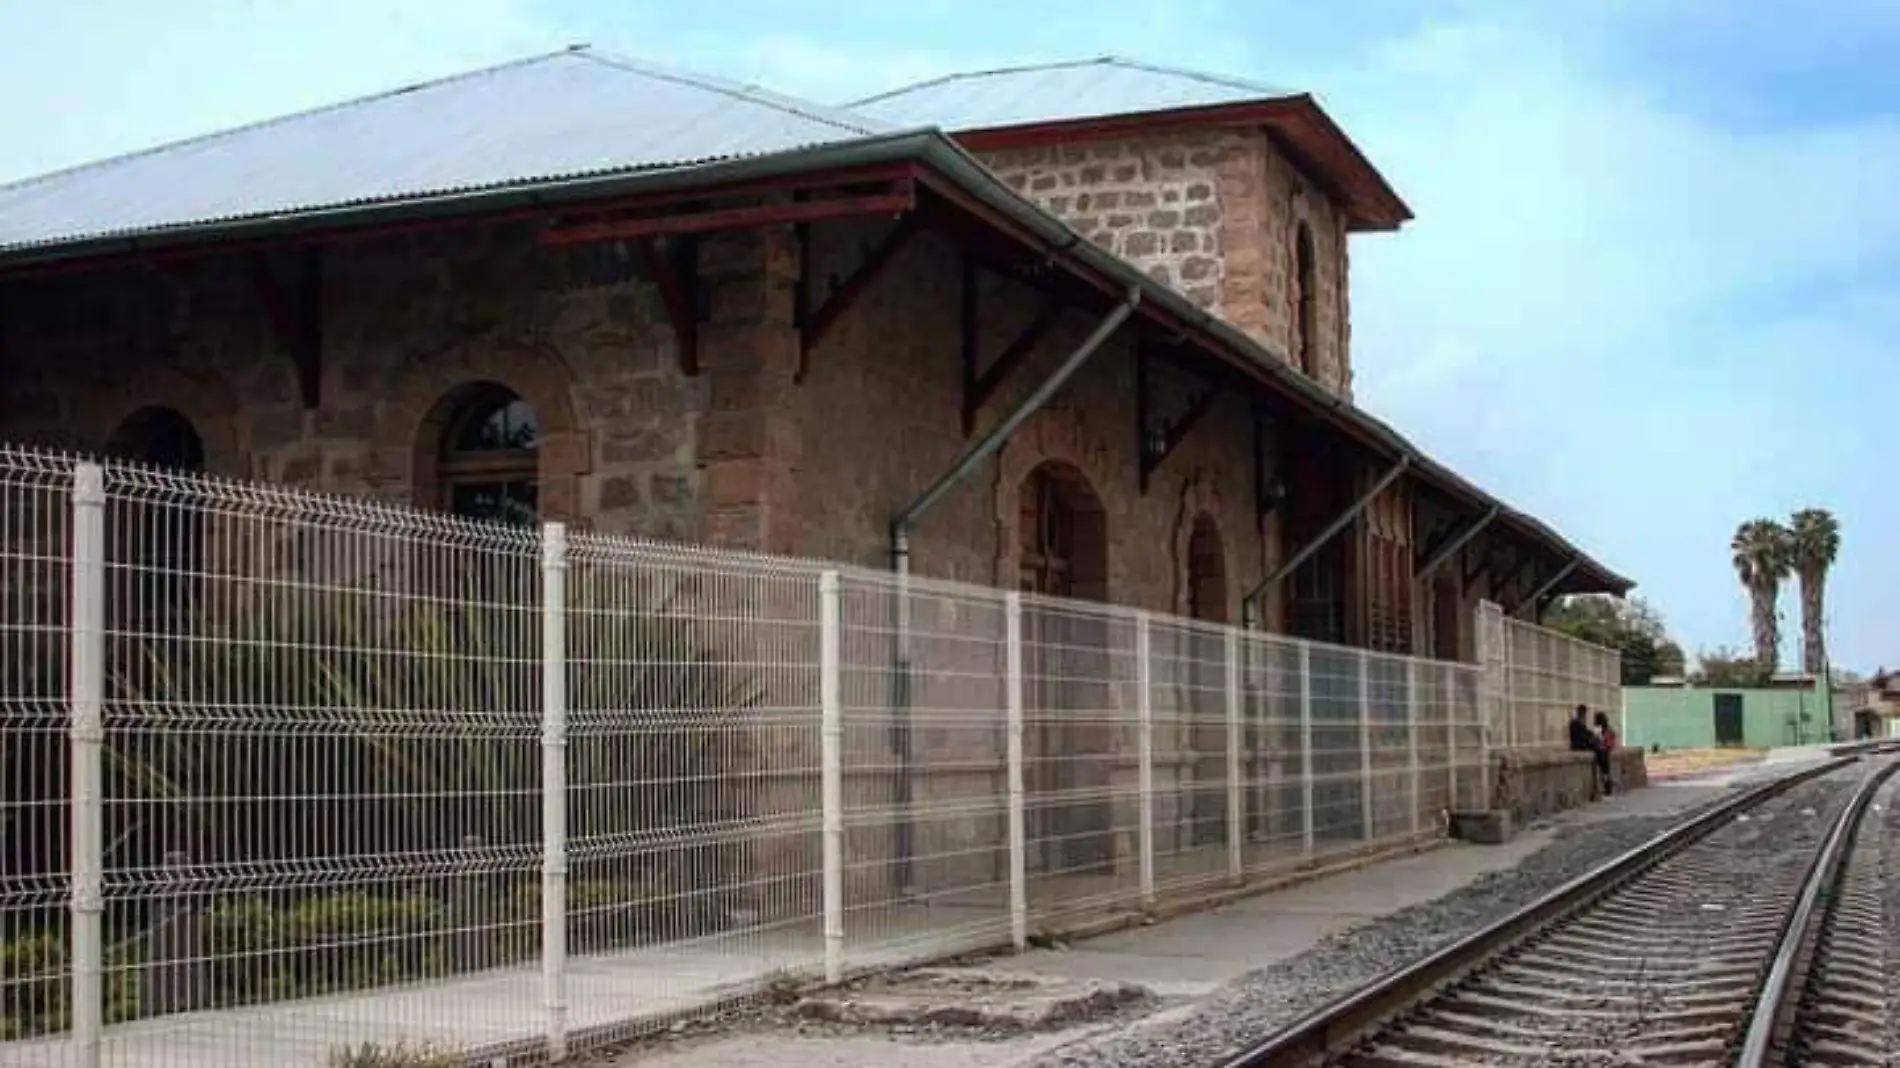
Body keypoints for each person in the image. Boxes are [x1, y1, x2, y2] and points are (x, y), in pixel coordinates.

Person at [1569, 705, 1606, 799]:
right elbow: (1581, 736)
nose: (1584, 716)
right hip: (1579, 747)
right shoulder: (1575, 724)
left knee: (1599, 750)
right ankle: (1603, 773)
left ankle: (1602, 773)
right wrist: (1592, 737)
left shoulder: (1580, 723)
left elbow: (1586, 733)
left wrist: (1593, 736)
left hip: (1583, 745)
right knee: (1598, 751)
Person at [1593, 711, 1618, 795]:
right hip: (1607, 749)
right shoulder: (1607, 728)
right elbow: (1612, 737)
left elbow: (1597, 740)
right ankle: (1607, 786)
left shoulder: (1598, 729)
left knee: (1603, 769)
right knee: (1606, 770)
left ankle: (1606, 786)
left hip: (1602, 750)